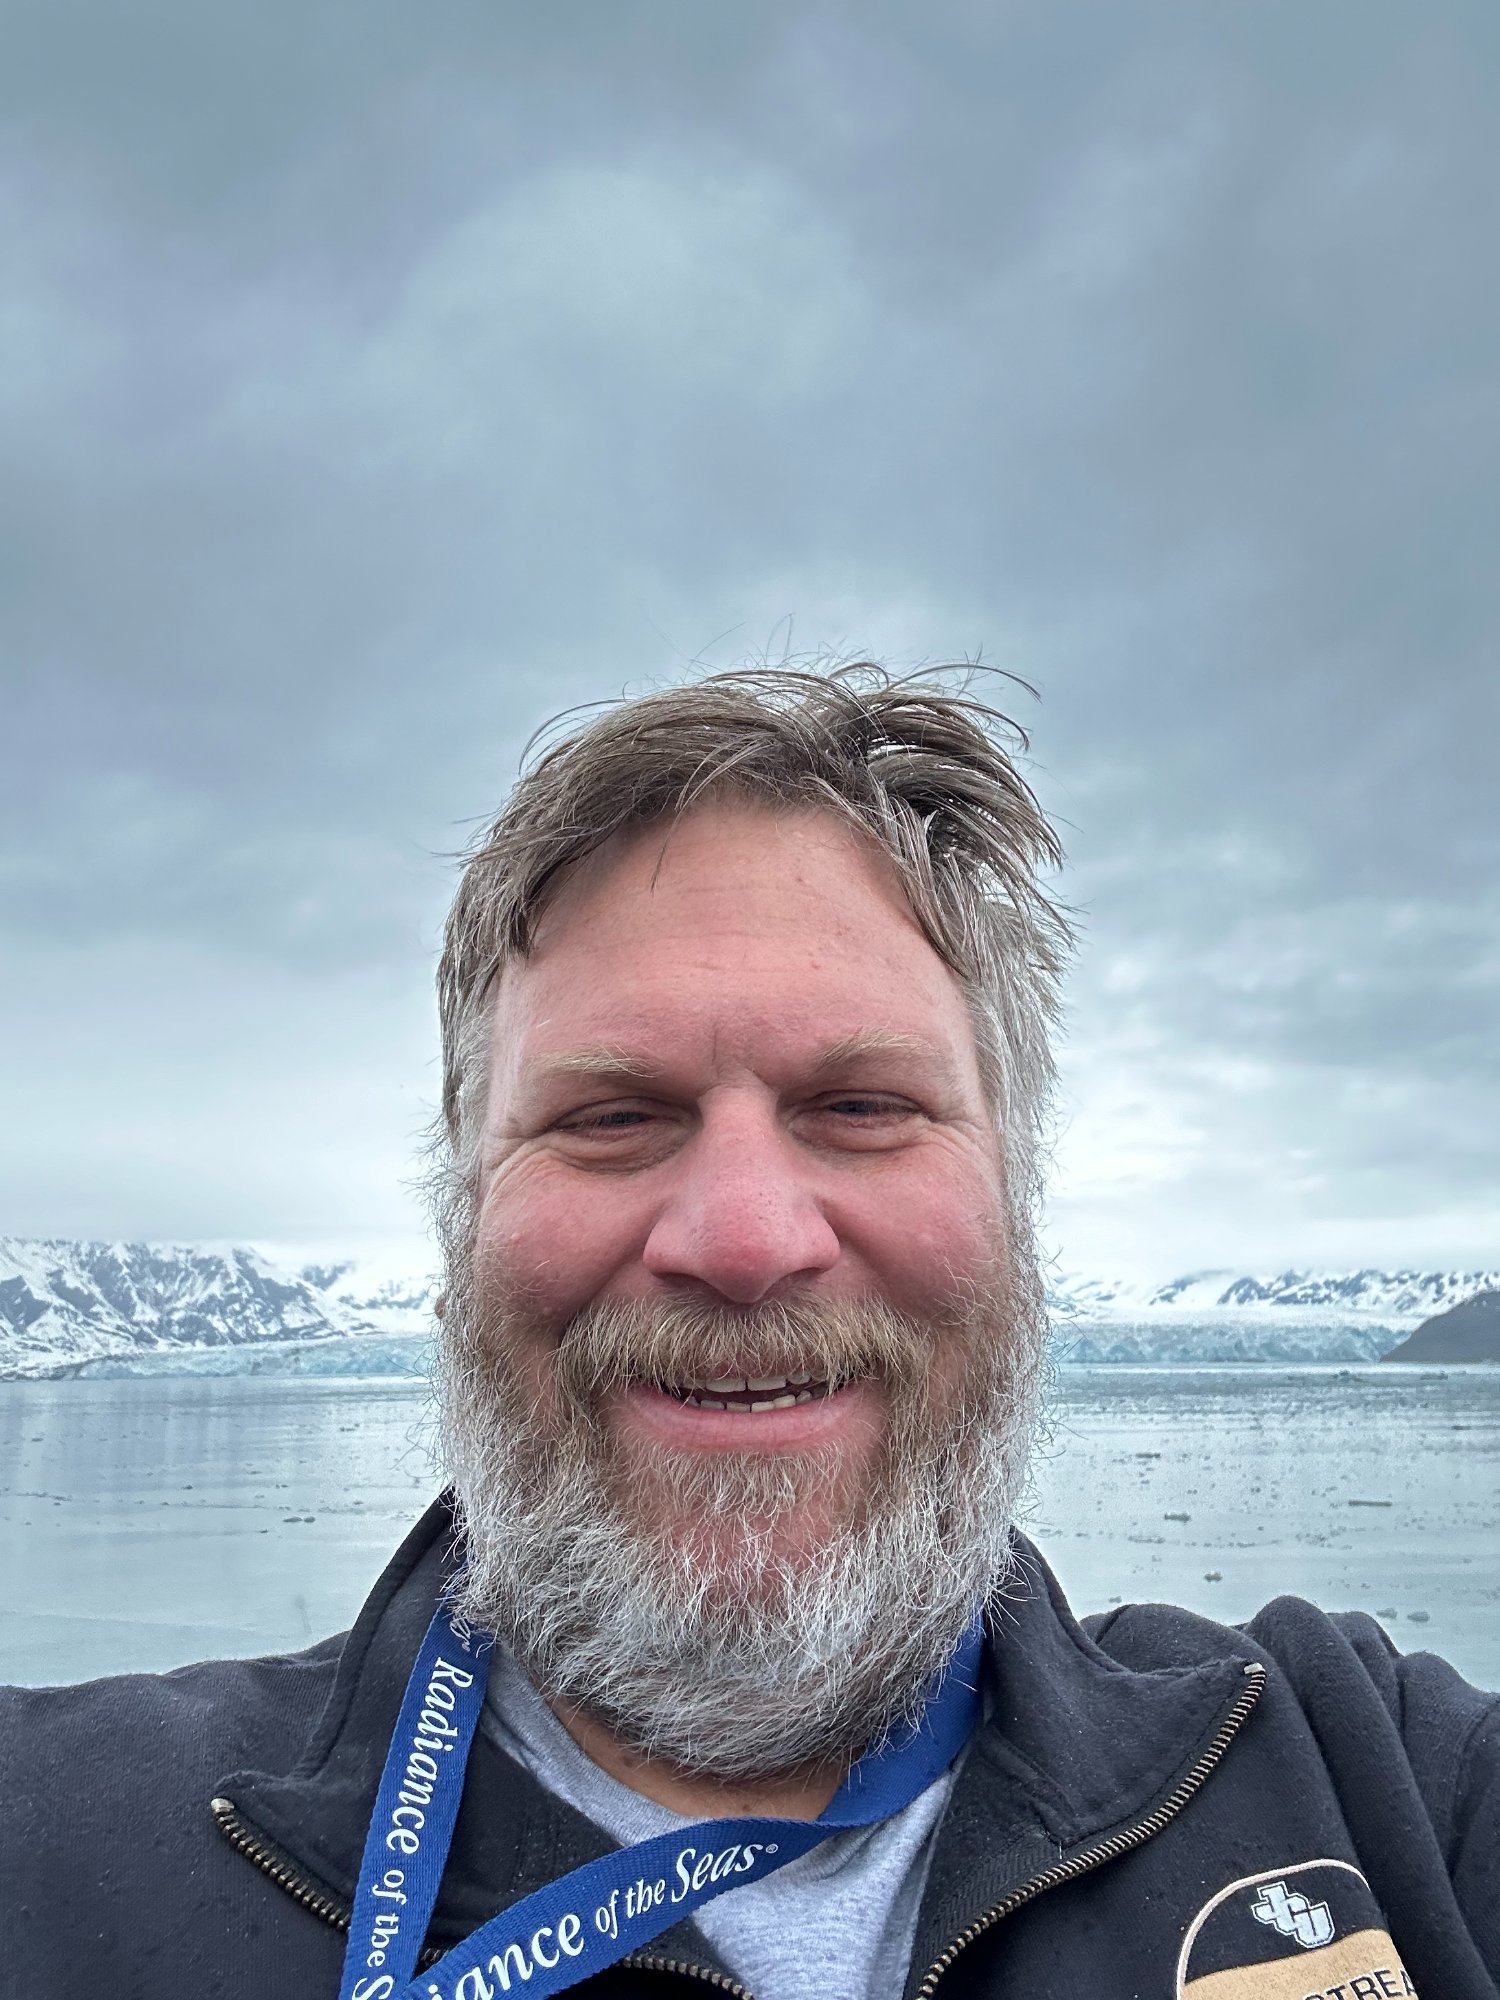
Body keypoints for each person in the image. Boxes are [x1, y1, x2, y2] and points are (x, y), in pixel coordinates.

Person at [4, 668, 1498, 2000]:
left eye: (861, 1108)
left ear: (1014, 1196)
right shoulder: (58, 1849)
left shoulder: (1371, 1786)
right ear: (460, 1213)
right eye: (611, 1117)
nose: (740, 1238)